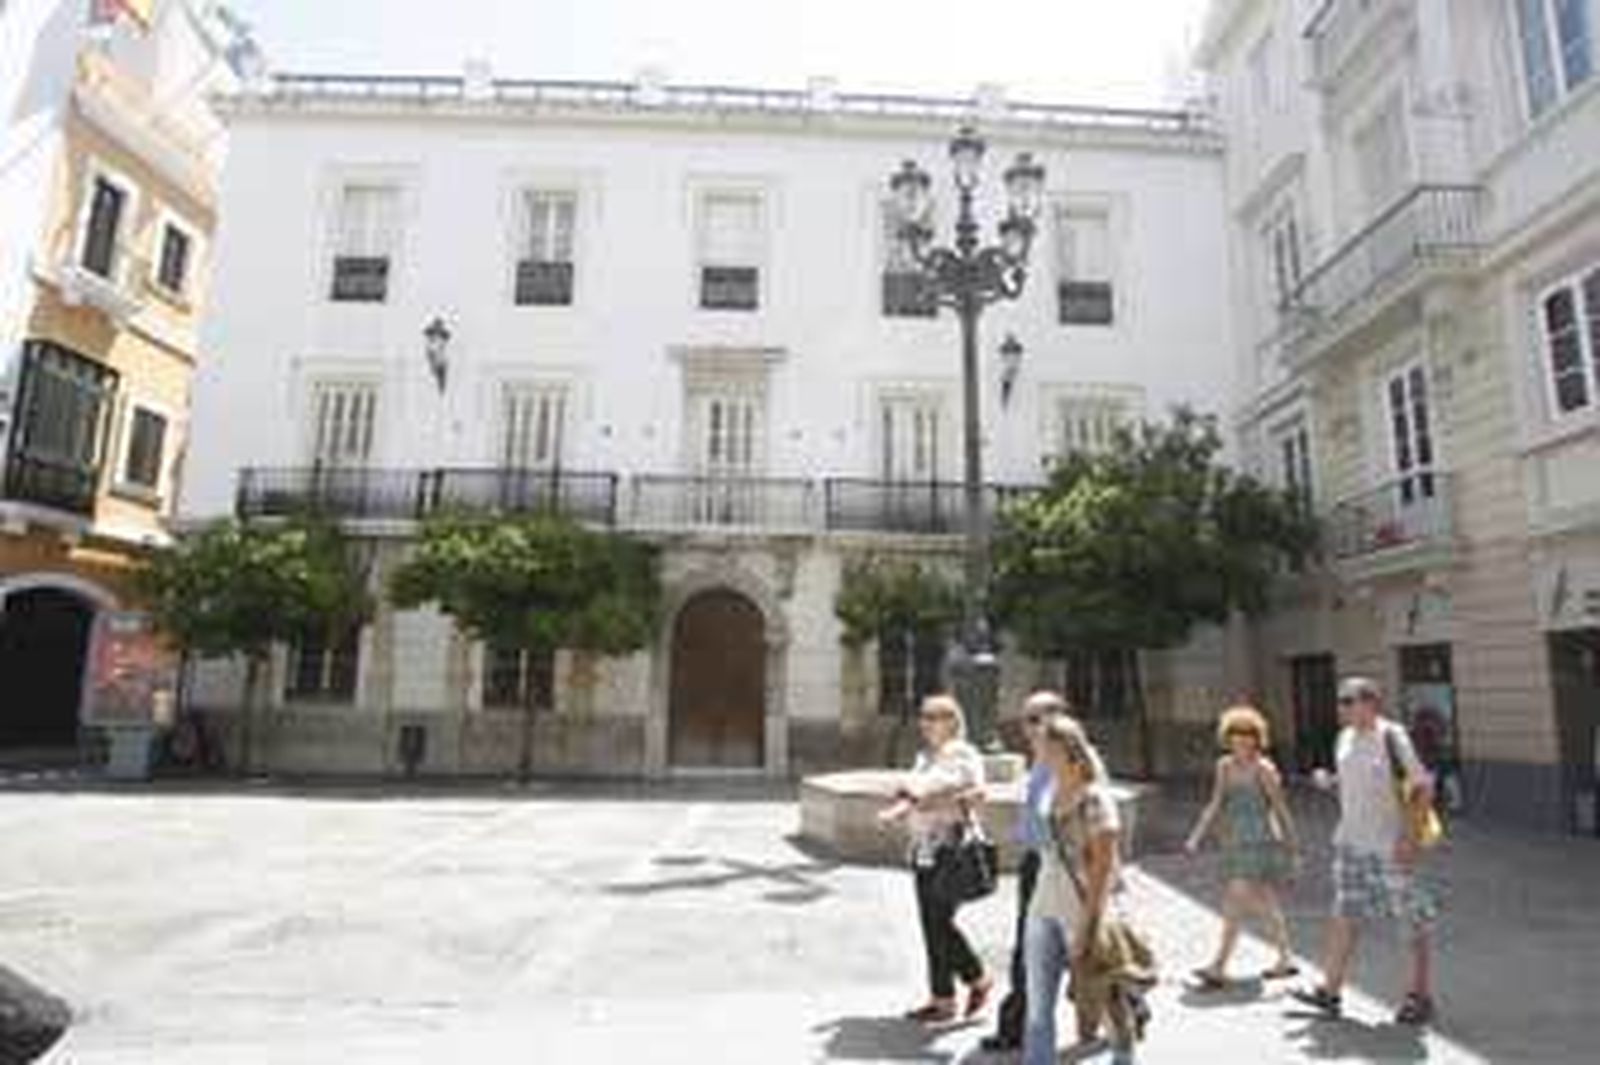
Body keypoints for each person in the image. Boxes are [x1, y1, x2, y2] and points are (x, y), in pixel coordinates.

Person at [1292, 676, 1439, 1025]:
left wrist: (1409, 840)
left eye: (1348, 700)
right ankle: (1330, 991)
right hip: (1350, 844)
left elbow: (1422, 788)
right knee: (1345, 914)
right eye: (1340, 701)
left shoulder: (1393, 736)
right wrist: (1330, 781)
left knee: (1410, 921)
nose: (1341, 707)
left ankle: (1420, 996)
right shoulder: (1344, 738)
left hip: (1389, 846)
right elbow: (1356, 779)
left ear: (1370, 703)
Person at [1026, 714, 1146, 1065]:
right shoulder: (1048, 792)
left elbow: (1103, 867)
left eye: (1047, 747)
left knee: (1105, 1000)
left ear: (1069, 751)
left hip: (1081, 910)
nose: (1040, 754)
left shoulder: (1095, 798)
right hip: (1042, 905)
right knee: (1038, 1007)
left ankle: (1124, 1058)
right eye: (1039, 746)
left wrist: (1088, 925)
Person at [877, 693, 993, 1024]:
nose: (925, 723)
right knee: (931, 924)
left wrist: (907, 803)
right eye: (924, 716)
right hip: (925, 849)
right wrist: (916, 798)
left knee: (939, 922)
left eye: (934, 716)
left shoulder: (961, 752)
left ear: (953, 721)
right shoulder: (927, 755)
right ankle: (942, 999)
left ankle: (977, 978)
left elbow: (945, 785)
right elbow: (926, 789)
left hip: (949, 850)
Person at [1184, 704, 1300, 987]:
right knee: (1265, 900)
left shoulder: (1264, 769)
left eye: (1248, 734)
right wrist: (1197, 834)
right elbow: (1216, 803)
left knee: (1235, 900)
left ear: (1257, 737)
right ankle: (1286, 958)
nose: (1242, 739)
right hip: (1234, 841)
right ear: (1228, 736)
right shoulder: (1223, 766)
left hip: (1260, 841)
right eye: (1236, 734)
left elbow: (1281, 809)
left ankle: (1218, 965)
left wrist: (1294, 848)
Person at [980, 691, 1065, 1053]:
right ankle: (1016, 1026)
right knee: (1040, 946)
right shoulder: (1039, 760)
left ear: (1057, 720)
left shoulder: (1068, 762)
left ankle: (1126, 1003)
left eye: (1035, 719)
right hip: (1037, 862)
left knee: (1057, 946)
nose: (1027, 728)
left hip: (1059, 865)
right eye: (1025, 719)